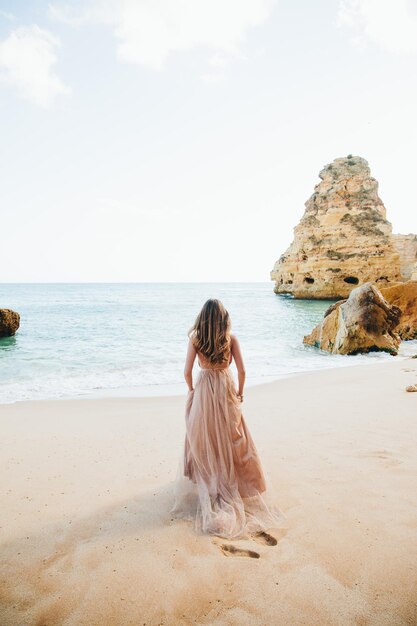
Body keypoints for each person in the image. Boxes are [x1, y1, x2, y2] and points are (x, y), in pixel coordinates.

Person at [170, 298, 286, 543]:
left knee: (205, 439)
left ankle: (211, 484)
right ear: (224, 319)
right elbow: (243, 371)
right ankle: (242, 486)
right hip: (225, 390)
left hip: (204, 391)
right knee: (234, 438)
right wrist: (240, 392)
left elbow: (187, 372)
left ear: (202, 318)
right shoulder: (231, 340)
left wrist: (192, 391)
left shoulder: (196, 340)